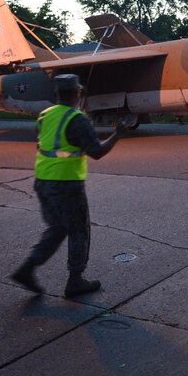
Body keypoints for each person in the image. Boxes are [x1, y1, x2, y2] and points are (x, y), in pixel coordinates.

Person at [11, 74, 129, 298]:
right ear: (77, 94)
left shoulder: (44, 116)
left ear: (56, 94)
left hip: (43, 181)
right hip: (67, 184)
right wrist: (117, 135)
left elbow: (42, 144)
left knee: (57, 227)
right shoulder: (77, 119)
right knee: (78, 230)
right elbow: (96, 152)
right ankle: (75, 280)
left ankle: (27, 269)